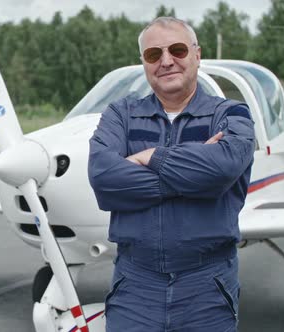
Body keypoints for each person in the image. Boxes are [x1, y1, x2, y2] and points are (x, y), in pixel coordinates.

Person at [88, 17, 255, 332]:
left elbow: (223, 168)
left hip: (207, 285)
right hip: (136, 284)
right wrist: (194, 177)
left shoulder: (232, 113)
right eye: (153, 54)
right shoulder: (119, 114)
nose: (166, 61)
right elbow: (103, 178)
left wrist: (150, 156)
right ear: (144, 63)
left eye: (177, 50)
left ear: (196, 54)